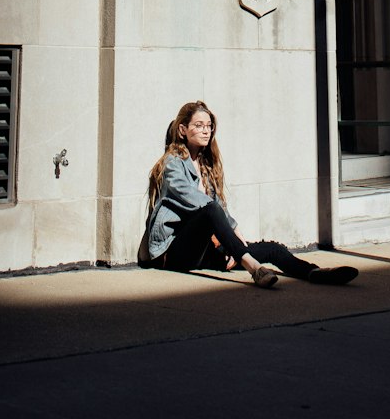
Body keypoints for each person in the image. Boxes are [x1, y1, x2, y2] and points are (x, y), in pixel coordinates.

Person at [139, 100, 358, 288]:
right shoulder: (173, 163)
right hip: (173, 252)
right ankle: (253, 268)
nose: (206, 130)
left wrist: (235, 238)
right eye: (198, 125)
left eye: (209, 126)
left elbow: (218, 211)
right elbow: (196, 202)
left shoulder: (205, 166)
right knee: (212, 210)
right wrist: (233, 242)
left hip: (203, 251)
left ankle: (314, 273)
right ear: (182, 130)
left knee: (273, 249)